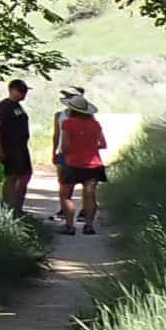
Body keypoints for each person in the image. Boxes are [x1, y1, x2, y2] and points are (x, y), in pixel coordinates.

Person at [55, 93, 108, 234]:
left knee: (66, 195)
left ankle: (70, 226)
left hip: (73, 163)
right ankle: (89, 226)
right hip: (94, 164)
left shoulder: (67, 123)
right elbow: (103, 144)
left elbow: (65, 146)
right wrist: (89, 146)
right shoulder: (95, 124)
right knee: (90, 195)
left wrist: (69, 152)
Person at [0, 79, 33, 212]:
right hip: (9, 146)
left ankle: (17, 206)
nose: (24, 93)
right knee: (11, 176)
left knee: (25, 174)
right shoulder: (3, 106)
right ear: (12, 90)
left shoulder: (17, 106)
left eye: (25, 91)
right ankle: (8, 206)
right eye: (21, 90)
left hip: (21, 146)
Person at [50, 85, 87, 222]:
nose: (67, 98)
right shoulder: (59, 115)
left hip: (80, 153)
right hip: (63, 152)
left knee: (83, 181)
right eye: (66, 96)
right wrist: (54, 151)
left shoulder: (87, 116)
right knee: (63, 182)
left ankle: (84, 210)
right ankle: (64, 210)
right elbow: (56, 134)